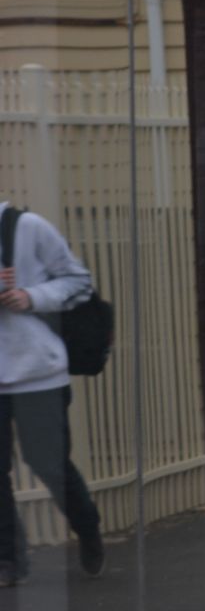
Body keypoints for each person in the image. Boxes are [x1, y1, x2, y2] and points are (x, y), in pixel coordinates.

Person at [0, 202, 104, 587]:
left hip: (37, 372)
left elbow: (78, 281)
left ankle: (87, 527)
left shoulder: (27, 226)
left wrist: (31, 296)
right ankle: (8, 560)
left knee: (49, 463)